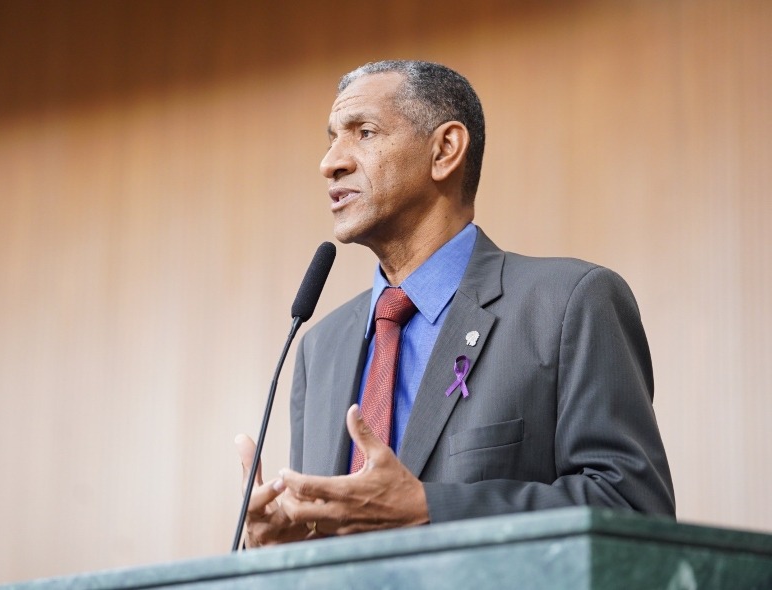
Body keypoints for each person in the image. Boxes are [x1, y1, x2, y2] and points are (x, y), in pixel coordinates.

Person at [235, 60, 675, 547]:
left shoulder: (569, 303)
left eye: (364, 132)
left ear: (444, 150)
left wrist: (430, 509)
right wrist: (281, 551)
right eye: (331, 138)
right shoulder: (320, 347)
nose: (330, 162)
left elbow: (633, 507)